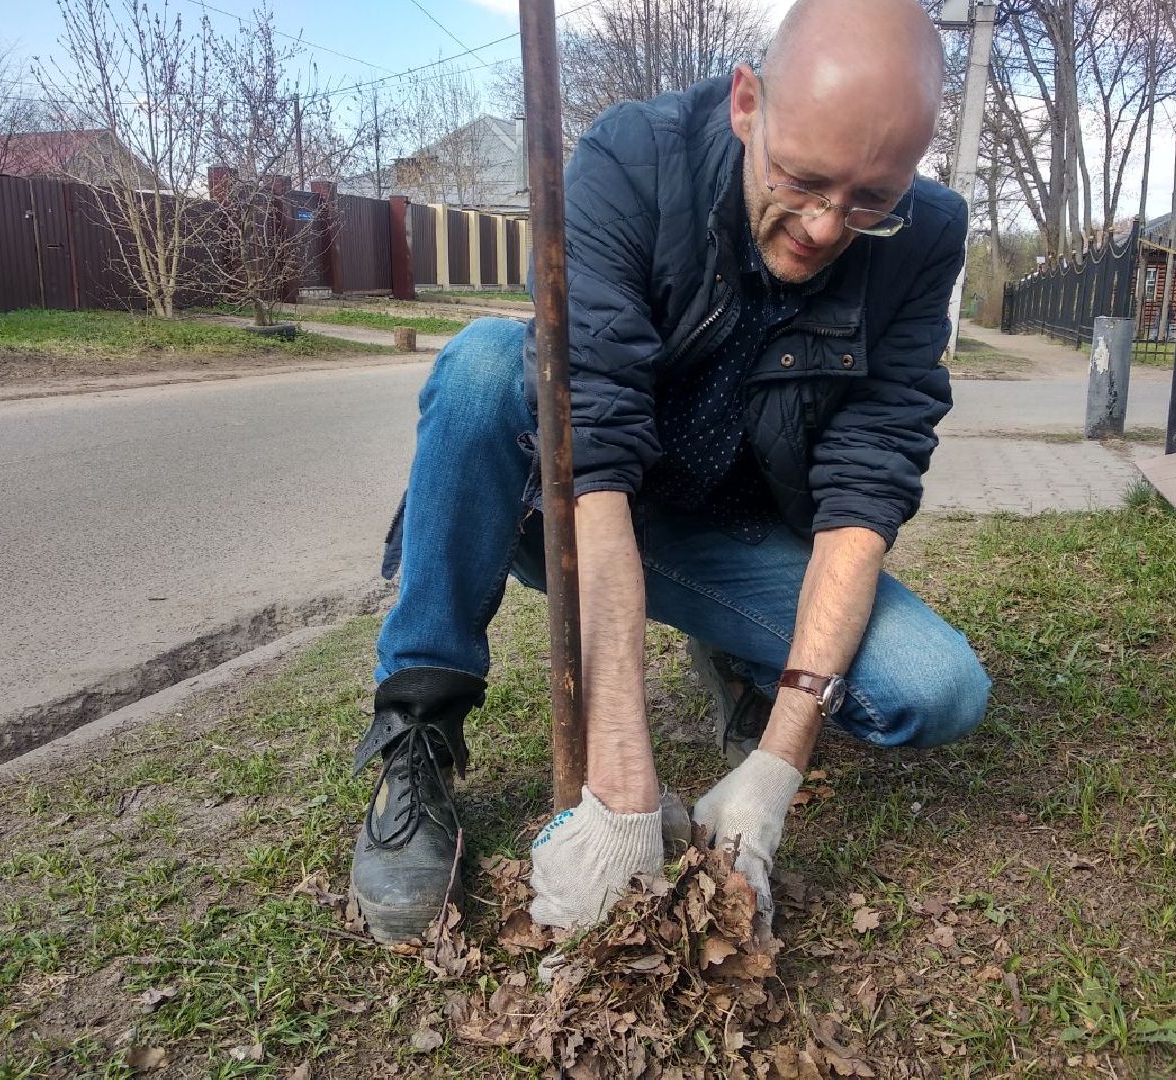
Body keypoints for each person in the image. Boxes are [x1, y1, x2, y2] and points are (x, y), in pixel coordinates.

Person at [348, 0, 991, 945]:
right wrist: (621, 781)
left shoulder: (926, 239)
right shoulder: (628, 165)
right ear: (746, 103)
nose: (822, 228)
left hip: (727, 531)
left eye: (868, 204)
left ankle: (738, 658)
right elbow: (593, 453)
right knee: (487, 365)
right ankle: (420, 730)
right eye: (803, 180)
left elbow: (869, 481)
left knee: (936, 687)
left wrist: (778, 767)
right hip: (567, 508)